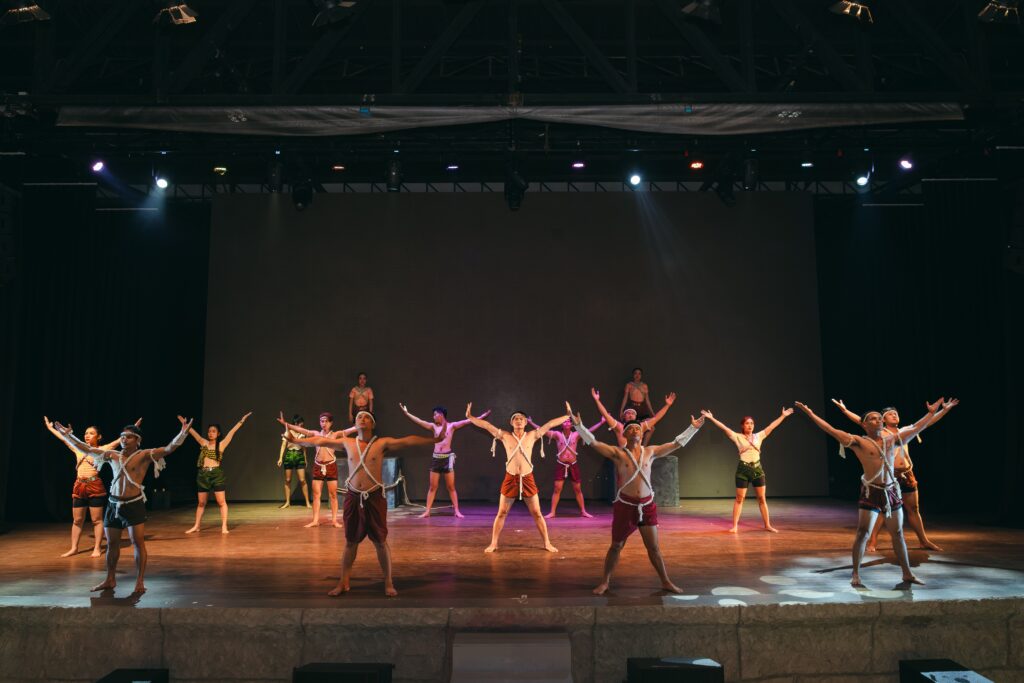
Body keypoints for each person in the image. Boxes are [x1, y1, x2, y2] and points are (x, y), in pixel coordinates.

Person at [282, 410, 441, 597]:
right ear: (355, 424)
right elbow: (318, 441)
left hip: (374, 497)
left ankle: (388, 582)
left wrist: (434, 440)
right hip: (353, 497)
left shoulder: (381, 443)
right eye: (359, 417)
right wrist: (295, 440)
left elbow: (407, 441)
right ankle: (343, 582)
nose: (362, 419)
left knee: (380, 542)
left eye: (366, 417)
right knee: (350, 542)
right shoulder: (347, 442)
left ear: (373, 423)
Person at [795, 399, 952, 587]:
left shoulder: (892, 440)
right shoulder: (859, 442)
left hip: (891, 491)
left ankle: (907, 573)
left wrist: (931, 413)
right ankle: (855, 573)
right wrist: (811, 414)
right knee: (863, 533)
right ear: (864, 424)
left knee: (898, 533)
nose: (878, 420)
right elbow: (830, 429)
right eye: (873, 418)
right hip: (872, 492)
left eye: (879, 418)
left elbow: (918, 427)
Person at [568, 401, 703, 595]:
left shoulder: (650, 452)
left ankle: (666, 581)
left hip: (647, 506)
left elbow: (675, 444)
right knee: (616, 546)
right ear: (624, 434)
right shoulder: (618, 454)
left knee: (654, 548)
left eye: (638, 428)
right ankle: (605, 582)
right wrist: (579, 427)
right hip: (625, 506)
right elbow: (594, 443)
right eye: (630, 429)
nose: (635, 430)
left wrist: (693, 429)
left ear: (642, 433)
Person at [52, 417, 193, 594]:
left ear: (137, 440)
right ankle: (110, 579)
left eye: (129, 436)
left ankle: (139, 581)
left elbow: (168, 449)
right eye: (122, 436)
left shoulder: (144, 455)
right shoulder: (113, 455)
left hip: (133, 504)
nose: (124, 439)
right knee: (112, 544)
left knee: (138, 543)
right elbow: (86, 448)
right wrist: (69, 436)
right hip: (113, 505)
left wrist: (183, 433)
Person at [832, 398, 958, 552]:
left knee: (914, 508)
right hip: (889, 475)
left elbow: (926, 423)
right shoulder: (880, 433)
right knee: (882, 509)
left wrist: (944, 410)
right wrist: (845, 410)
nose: (894, 415)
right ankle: (873, 541)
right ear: (883, 419)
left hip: (907, 474)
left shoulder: (904, 431)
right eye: (890, 414)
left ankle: (923, 541)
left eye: (896, 413)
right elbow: (861, 420)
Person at [465, 403, 567, 553]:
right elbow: (486, 426)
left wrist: (567, 416)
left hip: (527, 478)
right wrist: (470, 417)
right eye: (516, 419)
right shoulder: (505, 436)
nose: (519, 420)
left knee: (537, 513)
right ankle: (494, 543)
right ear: (511, 422)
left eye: (521, 419)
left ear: (526, 422)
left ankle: (547, 543)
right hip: (510, 478)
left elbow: (550, 424)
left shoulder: (532, 435)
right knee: (501, 513)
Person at [44, 416, 139, 558]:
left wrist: (132, 430)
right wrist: (50, 428)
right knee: (77, 520)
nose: (87, 435)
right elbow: (64, 438)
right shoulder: (78, 448)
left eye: (91, 433)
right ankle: (74, 548)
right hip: (79, 486)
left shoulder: (103, 449)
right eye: (86, 433)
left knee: (96, 520)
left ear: (99, 437)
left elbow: (118, 441)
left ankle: (97, 548)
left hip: (94, 486)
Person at [699, 407, 793, 533]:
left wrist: (783, 416)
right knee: (739, 499)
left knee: (762, 499)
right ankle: (735, 526)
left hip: (757, 469)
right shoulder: (737, 437)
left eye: (752, 423)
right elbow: (724, 428)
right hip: (743, 470)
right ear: (743, 426)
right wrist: (711, 418)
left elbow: (772, 426)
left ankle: (767, 525)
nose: (750, 425)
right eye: (747, 423)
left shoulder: (759, 436)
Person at [399, 402, 491, 518]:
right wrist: (407, 413)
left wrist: (482, 416)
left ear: (441, 415)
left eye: (435, 414)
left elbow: (467, 421)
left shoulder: (452, 426)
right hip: (436, 459)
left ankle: (456, 511)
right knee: (432, 487)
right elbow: (419, 421)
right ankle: (427, 511)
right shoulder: (433, 427)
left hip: (447, 459)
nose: (433, 417)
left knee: (451, 487)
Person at [282, 411, 356, 528]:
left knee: (333, 495)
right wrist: (287, 424)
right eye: (322, 421)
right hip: (318, 466)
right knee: (316, 495)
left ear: (331, 423)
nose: (324, 423)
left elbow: (348, 431)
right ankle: (315, 520)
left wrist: (358, 426)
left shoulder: (335, 434)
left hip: (330, 465)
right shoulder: (316, 434)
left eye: (326, 421)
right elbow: (302, 430)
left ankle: (334, 521)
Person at [184, 412, 252, 534]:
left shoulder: (221, 444)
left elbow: (232, 432)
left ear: (218, 433)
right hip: (203, 475)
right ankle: (196, 526)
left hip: (216, 475)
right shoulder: (204, 443)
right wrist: (186, 426)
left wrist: (241, 421)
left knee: (221, 502)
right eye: (209, 431)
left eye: (213, 431)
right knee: (201, 503)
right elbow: (194, 434)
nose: (211, 433)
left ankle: (224, 526)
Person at [527, 414, 605, 518]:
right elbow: (542, 430)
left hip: (573, 464)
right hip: (561, 464)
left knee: (577, 489)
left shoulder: (576, 434)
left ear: (572, 424)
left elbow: (589, 431)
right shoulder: (557, 435)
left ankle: (583, 511)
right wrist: (531, 422)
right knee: (557, 489)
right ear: (561, 424)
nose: (567, 423)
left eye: (568, 421)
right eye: (564, 421)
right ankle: (552, 512)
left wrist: (601, 422)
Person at [591, 387, 675, 447]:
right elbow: (605, 415)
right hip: (624, 461)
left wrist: (667, 405)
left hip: (637, 460)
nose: (630, 415)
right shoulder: (619, 427)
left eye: (633, 413)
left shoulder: (640, 427)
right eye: (628, 413)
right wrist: (597, 400)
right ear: (624, 416)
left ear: (635, 417)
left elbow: (656, 418)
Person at [277, 414, 311, 509]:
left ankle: (307, 502)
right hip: (289, 455)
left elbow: (304, 447)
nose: (302, 426)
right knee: (288, 480)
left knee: (302, 480)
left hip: (299, 455)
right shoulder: (288, 432)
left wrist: (305, 458)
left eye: (302, 424)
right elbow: (283, 445)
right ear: (296, 423)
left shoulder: (303, 433)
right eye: (301, 424)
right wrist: (280, 458)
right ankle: (287, 502)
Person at [619, 368, 657, 444]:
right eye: (636, 373)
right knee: (631, 428)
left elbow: (647, 401)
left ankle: (643, 447)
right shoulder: (629, 385)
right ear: (633, 375)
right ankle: (631, 446)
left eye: (639, 373)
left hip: (642, 409)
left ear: (641, 375)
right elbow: (625, 398)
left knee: (652, 428)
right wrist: (621, 411)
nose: (637, 375)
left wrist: (652, 413)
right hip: (632, 408)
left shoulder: (644, 386)